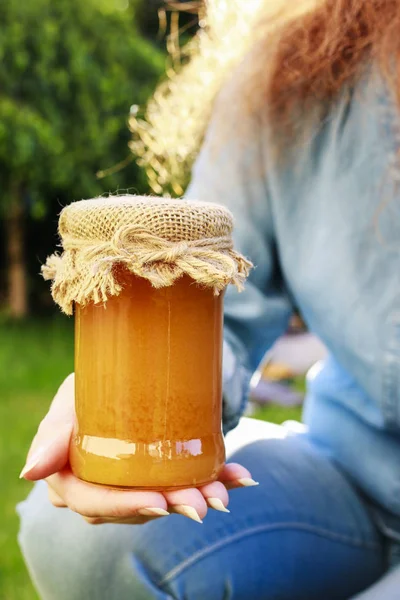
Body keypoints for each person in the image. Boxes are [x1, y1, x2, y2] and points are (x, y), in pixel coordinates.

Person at [18, 0, 400, 597]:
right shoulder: (290, 53)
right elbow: (213, 292)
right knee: (71, 537)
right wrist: (145, 396)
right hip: (355, 475)